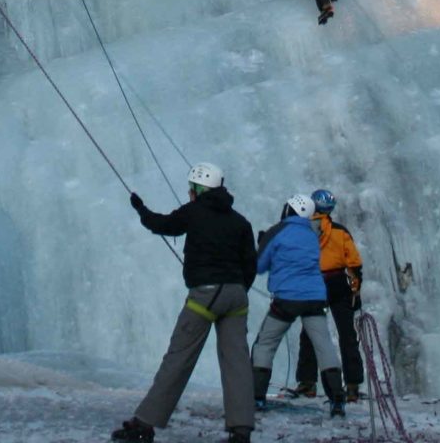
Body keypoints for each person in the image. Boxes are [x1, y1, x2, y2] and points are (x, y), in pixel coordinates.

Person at [115, 163, 257, 443]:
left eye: (191, 188)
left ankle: (144, 424)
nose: (189, 193)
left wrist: (140, 208)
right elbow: (249, 264)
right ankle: (241, 431)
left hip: (205, 294)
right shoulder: (240, 221)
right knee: (237, 363)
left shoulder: (193, 212)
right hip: (237, 297)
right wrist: (237, 289)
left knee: (178, 357)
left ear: (197, 189)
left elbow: (161, 225)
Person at [250, 196, 346, 417]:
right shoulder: (313, 233)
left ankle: (257, 397)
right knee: (324, 345)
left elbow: (259, 265)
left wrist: (263, 243)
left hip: (286, 300)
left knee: (266, 343)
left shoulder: (278, 230)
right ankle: (337, 401)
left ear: (288, 209)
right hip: (315, 298)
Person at [289, 189, 363, 401]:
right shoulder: (340, 232)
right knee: (347, 335)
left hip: (313, 284)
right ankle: (352, 386)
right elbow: (354, 264)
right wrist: (356, 290)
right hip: (338, 284)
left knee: (310, 334)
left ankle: (308, 383)